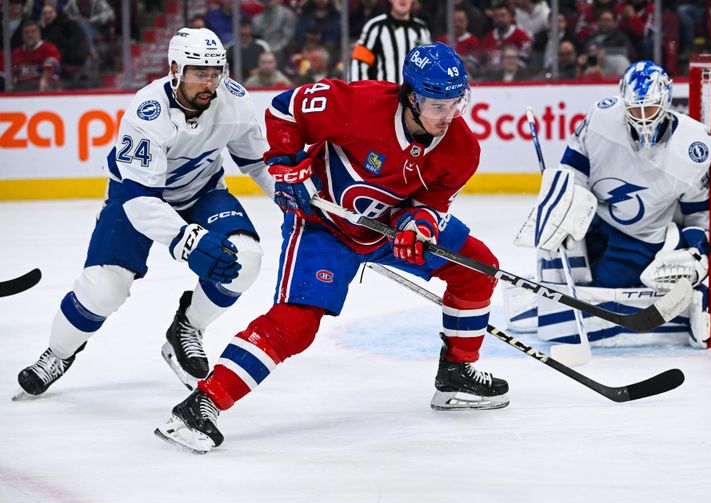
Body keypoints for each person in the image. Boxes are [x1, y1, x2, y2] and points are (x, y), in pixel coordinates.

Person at [155, 42, 510, 454]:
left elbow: (433, 201)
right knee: (297, 323)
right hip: (322, 225)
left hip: (388, 227)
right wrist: (287, 164)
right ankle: (201, 405)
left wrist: (421, 225)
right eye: (437, 106)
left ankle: (456, 372)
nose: (448, 117)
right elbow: (285, 109)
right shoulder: (356, 105)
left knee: (477, 267)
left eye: (456, 104)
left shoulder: (462, 148)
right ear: (411, 97)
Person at [14, 28, 273, 399]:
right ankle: (58, 353)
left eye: (216, 72)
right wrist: (186, 240)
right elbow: (140, 200)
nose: (210, 83)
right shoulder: (147, 111)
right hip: (135, 198)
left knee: (245, 258)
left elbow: (259, 163)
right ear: (174, 69)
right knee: (105, 289)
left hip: (202, 192)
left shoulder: (234, 102)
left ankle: (187, 328)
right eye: (199, 73)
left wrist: (294, 199)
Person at [505, 60, 711, 348]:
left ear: (665, 103)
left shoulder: (693, 148)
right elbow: (573, 170)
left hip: (640, 238)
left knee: (602, 287)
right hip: (594, 216)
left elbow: (699, 215)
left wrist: (695, 250)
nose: (642, 118)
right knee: (554, 256)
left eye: (649, 108)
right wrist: (564, 208)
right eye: (634, 109)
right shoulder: (602, 118)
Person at [350, 0, 431, 83]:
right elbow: (359, 63)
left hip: (415, 95)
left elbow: (429, 67)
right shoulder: (375, 27)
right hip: (383, 94)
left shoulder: (422, 30)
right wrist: (361, 91)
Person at [11, 19, 61, 92]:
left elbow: (50, 66)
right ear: (22, 35)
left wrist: (43, 81)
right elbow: (13, 73)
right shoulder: (16, 53)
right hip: (23, 91)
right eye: (26, 32)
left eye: (33, 31)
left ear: (39, 33)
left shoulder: (48, 48)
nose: (30, 35)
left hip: (47, 91)